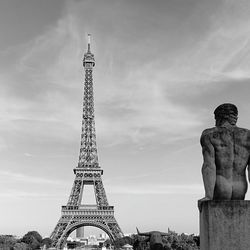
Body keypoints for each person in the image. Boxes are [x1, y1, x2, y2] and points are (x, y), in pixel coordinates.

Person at [198, 103, 250, 211]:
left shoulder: (209, 134)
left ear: (219, 117)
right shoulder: (248, 136)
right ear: (235, 117)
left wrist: (208, 196)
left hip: (220, 186)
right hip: (240, 188)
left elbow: (209, 166)